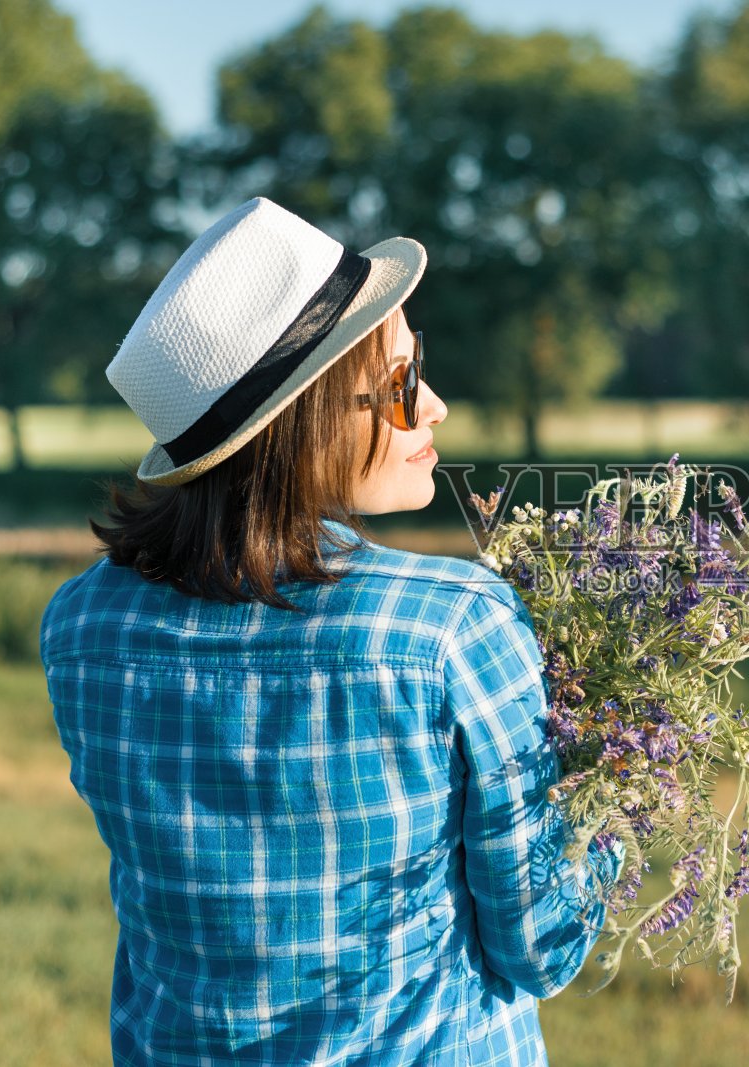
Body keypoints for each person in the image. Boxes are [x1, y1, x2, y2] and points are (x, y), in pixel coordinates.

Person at [40, 196, 624, 1066]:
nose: (435, 405)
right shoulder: (453, 626)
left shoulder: (81, 625)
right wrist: (612, 780)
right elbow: (541, 945)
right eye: (401, 378)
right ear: (308, 415)